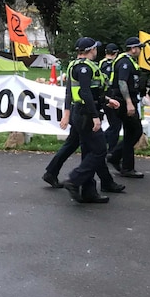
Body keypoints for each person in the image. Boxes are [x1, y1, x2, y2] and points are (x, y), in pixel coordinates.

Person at [43, 38, 125, 197]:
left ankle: (93, 188)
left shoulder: (74, 65)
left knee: (89, 149)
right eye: (95, 48)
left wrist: (107, 101)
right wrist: (94, 116)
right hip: (85, 113)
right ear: (90, 50)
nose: (97, 51)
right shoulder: (84, 68)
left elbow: (77, 91)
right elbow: (85, 93)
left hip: (80, 111)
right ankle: (76, 179)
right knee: (98, 150)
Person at [107, 37, 146, 178]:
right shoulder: (124, 63)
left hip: (128, 101)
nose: (141, 51)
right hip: (124, 102)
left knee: (131, 133)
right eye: (139, 48)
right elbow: (122, 82)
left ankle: (125, 164)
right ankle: (118, 158)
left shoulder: (129, 62)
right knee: (135, 131)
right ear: (133, 48)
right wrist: (129, 102)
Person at [99, 43, 123, 151]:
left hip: (104, 96)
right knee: (115, 125)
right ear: (115, 53)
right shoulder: (115, 64)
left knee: (114, 124)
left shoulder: (101, 63)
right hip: (111, 96)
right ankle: (108, 148)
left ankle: (104, 144)